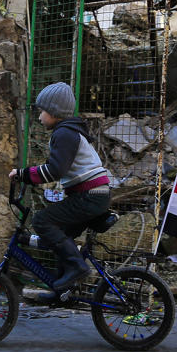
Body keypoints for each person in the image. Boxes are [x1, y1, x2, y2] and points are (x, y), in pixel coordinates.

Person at [9, 82, 111, 291]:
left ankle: (77, 268)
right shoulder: (69, 131)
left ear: (54, 112)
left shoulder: (64, 134)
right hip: (93, 194)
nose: (39, 117)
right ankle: (62, 287)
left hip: (90, 196)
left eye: (42, 111)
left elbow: (55, 170)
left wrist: (22, 175)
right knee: (62, 235)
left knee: (42, 220)